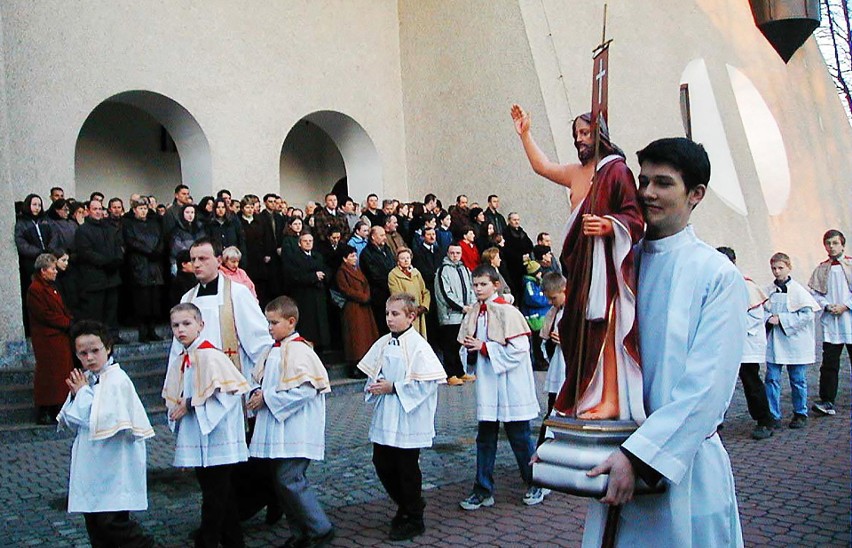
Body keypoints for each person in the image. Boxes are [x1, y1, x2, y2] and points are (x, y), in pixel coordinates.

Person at [582, 137, 745, 547]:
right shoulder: (619, 260)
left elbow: (707, 389)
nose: (647, 193)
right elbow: (594, 355)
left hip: (680, 467)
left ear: (696, 194)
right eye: (643, 180)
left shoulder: (716, 275)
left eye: (663, 183)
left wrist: (639, 457)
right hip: (615, 454)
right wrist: (568, 433)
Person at [512, 104, 645, 421]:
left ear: (600, 135)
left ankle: (610, 398)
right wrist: (525, 133)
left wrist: (610, 225)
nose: (580, 139)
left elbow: (634, 217)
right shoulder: (576, 173)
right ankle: (587, 394)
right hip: (581, 268)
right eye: (576, 134)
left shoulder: (617, 171)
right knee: (575, 331)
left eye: (585, 133)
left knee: (607, 329)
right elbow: (542, 167)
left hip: (607, 270)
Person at [357, 293, 447, 541]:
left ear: (411, 316)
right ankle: (409, 503)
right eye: (387, 313)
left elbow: (427, 383)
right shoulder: (384, 342)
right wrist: (375, 385)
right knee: (382, 462)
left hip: (409, 417)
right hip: (387, 414)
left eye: (395, 314)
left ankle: (414, 517)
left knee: (406, 467)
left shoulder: (419, 346)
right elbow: (373, 371)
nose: (389, 319)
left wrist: (394, 387)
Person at [246, 296, 335, 548]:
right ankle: (300, 533)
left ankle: (321, 529)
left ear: (291, 321)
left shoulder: (300, 350)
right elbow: (262, 381)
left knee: (290, 480)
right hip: (279, 428)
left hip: (297, 427)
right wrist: (256, 392)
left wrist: (268, 398)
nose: (269, 327)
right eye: (268, 322)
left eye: (274, 322)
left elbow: (306, 390)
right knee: (282, 483)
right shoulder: (273, 349)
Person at [59, 320, 155, 547]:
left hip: (114, 464)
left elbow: (103, 419)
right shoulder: (87, 379)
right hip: (91, 463)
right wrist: (78, 394)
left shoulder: (117, 380)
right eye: (83, 353)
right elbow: (73, 420)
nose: (89, 358)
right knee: (95, 525)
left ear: (108, 348)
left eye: (95, 351)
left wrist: (82, 393)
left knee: (112, 523)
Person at [163, 302, 250, 548]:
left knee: (215, 496)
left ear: (201, 326)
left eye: (186, 324)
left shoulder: (211, 355)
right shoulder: (184, 357)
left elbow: (227, 393)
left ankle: (207, 541)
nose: (180, 330)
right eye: (175, 325)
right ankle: (234, 542)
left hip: (218, 435)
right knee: (222, 495)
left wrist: (190, 403)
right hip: (200, 435)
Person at [458, 264, 543, 510]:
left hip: (510, 385)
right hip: (488, 384)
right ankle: (483, 488)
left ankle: (535, 481)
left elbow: (519, 350)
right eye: (474, 285)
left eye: (482, 284)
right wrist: (470, 351)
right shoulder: (474, 312)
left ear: (495, 285)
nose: (477, 289)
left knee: (519, 436)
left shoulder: (509, 312)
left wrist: (484, 347)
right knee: (485, 438)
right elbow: (466, 346)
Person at [717, 246, 774, 440]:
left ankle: (764, 420)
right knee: (720, 384)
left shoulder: (747, 286)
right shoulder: (719, 283)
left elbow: (755, 317)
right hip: (725, 345)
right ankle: (715, 419)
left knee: (751, 383)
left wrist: (731, 330)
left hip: (745, 345)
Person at [764, 252, 819, 429]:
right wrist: (768, 318)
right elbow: (762, 309)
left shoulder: (798, 291)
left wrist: (782, 319)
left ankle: (800, 413)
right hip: (775, 341)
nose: (777, 272)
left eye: (780, 268)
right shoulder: (768, 290)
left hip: (795, 342)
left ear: (789, 268)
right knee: (772, 378)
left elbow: (807, 314)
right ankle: (773, 414)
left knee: (798, 379)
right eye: (774, 268)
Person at [809, 229, 852, 417]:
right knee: (829, 365)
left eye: (835, 243)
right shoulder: (821, 268)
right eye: (828, 243)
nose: (831, 247)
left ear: (842, 244)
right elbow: (814, 293)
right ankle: (827, 401)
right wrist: (827, 306)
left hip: (849, 319)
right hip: (832, 323)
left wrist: (846, 306)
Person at [27, 253, 74, 424]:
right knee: (48, 374)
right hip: (47, 338)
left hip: (58, 337)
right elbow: (45, 314)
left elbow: (59, 309)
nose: (55, 272)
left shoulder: (51, 287)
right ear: (43, 271)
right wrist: (66, 322)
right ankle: (45, 409)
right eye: (52, 269)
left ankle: (57, 407)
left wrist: (69, 319)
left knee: (60, 373)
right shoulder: (36, 290)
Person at [75, 199, 124, 336]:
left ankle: (113, 335)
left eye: (100, 209)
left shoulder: (110, 229)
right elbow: (86, 252)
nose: (98, 212)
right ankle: (97, 336)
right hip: (94, 279)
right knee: (95, 312)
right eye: (95, 209)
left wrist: (116, 261)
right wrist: (106, 262)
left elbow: (118, 247)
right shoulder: (83, 230)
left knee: (111, 310)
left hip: (112, 277)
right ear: (88, 211)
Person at [123, 198, 165, 342]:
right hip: (140, 265)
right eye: (140, 208)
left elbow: (161, 239)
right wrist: (148, 251)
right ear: (134, 210)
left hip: (155, 266)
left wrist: (157, 251)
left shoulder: (154, 224)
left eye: (145, 208)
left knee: (154, 301)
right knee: (142, 301)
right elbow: (131, 241)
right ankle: (143, 331)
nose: (143, 211)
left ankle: (152, 330)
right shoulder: (129, 224)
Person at [434, 244, 476, 386]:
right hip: (450, 315)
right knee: (450, 345)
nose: (455, 255)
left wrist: (472, 305)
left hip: (464, 313)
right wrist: (461, 307)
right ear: (447, 253)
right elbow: (445, 294)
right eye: (452, 253)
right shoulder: (443, 270)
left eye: (457, 253)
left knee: (458, 344)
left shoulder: (464, 269)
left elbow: (471, 288)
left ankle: (460, 372)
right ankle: (450, 374)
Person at [336, 245, 380, 378]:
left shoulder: (358, 269)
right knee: (356, 338)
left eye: (355, 255)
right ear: (345, 259)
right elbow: (345, 290)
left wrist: (366, 295)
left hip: (363, 307)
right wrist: (362, 296)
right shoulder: (342, 272)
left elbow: (365, 284)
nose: (355, 258)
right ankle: (355, 366)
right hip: (353, 308)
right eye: (352, 256)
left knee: (366, 336)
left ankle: (365, 365)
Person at [283, 233, 331, 349]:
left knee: (320, 327)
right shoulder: (294, 258)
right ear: (299, 243)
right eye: (305, 241)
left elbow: (326, 269)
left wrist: (324, 276)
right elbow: (294, 276)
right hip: (304, 296)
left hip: (319, 295)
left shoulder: (317, 256)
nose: (309, 243)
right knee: (308, 327)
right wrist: (314, 277)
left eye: (311, 241)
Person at [537, 272, 567, 446]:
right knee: (551, 407)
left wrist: (567, 340)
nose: (550, 302)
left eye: (553, 298)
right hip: (558, 364)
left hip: (567, 367)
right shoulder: (556, 310)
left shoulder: (575, 308)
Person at [16, 194, 52, 331]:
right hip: (31, 264)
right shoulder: (22, 223)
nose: (37, 208)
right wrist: (38, 252)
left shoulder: (45, 221)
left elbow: (53, 237)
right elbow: (22, 244)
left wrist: (49, 251)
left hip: (47, 262)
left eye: (39, 205)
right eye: (34, 204)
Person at [360, 226, 396, 335]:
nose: (384, 238)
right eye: (381, 235)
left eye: (384, 235)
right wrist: (390, 283)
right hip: (379, 294)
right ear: (373, 237)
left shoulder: (387, 249)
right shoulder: (366, 253)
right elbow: (374, 275)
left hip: (392, 291)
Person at [240, 197, 276, 306]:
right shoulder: (239, 221)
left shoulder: (260, 220)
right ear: (242, 209)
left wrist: (267, 253)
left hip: (260, 258)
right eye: (247, 207)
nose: (250, 210)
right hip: (247, 257)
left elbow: (267, 237)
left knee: (261, 288)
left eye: (251, 207)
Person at [388, 248, 431, 339]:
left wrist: (424, 306)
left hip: (419, 313)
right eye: (402, 258)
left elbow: (425, 291)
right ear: (398, 260)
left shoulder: (416, 273)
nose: (406, 260)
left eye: (408, 257)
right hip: (406, 313)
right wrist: (412, 309)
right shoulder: (393, 275)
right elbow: (397, 295)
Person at [521, 260, 550, 371]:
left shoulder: (538, 282)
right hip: (535, 317)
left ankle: (543, 360)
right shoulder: (529, 284)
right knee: (537, 342)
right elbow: (533, 298)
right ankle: (539, 362)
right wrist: (547, 299)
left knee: (541, 340)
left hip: (541, 316)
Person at [500, 212, 533, 298]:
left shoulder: (521, 232)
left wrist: (526, 254)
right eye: (514, 220)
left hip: (524, 266)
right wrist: (520, 256)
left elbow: (530, 245)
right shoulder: (506, 233)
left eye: (518, 220)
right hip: (513, 267)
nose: (517, 222)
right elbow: (507, 251)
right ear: (509, 221)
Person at [170, 204, 205, 276]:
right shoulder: (177, 230)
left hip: (200, 262)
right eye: (187, 212)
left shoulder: (200, 229)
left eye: (192, 212)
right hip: (183, 264)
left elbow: (204, 243)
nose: (190, 215)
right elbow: (176, 249)